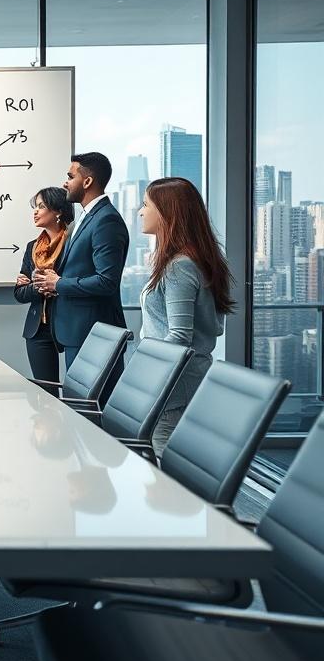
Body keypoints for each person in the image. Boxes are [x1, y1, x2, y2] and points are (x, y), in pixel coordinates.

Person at [138, 177, 234, 456]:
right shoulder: (190, 260)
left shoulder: (180, 266)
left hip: (175, 382)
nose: (141, 212)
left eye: (146, 205)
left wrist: (143, 370)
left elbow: (179, 336)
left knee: (166, 458)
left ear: (168, 212)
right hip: (183, 376)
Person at [32, 152, 128, 401]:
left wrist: (60, 283)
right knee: (79, 410)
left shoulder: (106, 220)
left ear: (87, 182)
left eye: (70, 176)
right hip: (78, 332)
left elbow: (107, 281)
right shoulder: (84, 220)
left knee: (92, 413)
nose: (65, 182)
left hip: (94, 335)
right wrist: (53, 281)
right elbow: (80, 271)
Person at [14, 187, 75, 385]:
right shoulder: (32, 247)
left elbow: (72, 281)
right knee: (46, 392)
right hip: (38, 328)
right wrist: (39, 286)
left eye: (41, 206)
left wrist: (52, 283)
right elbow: (19, 293)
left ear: (58, 210)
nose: (36, 212)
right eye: (36, 207)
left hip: (69, 322)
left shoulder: (73, 242)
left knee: (78, 390)